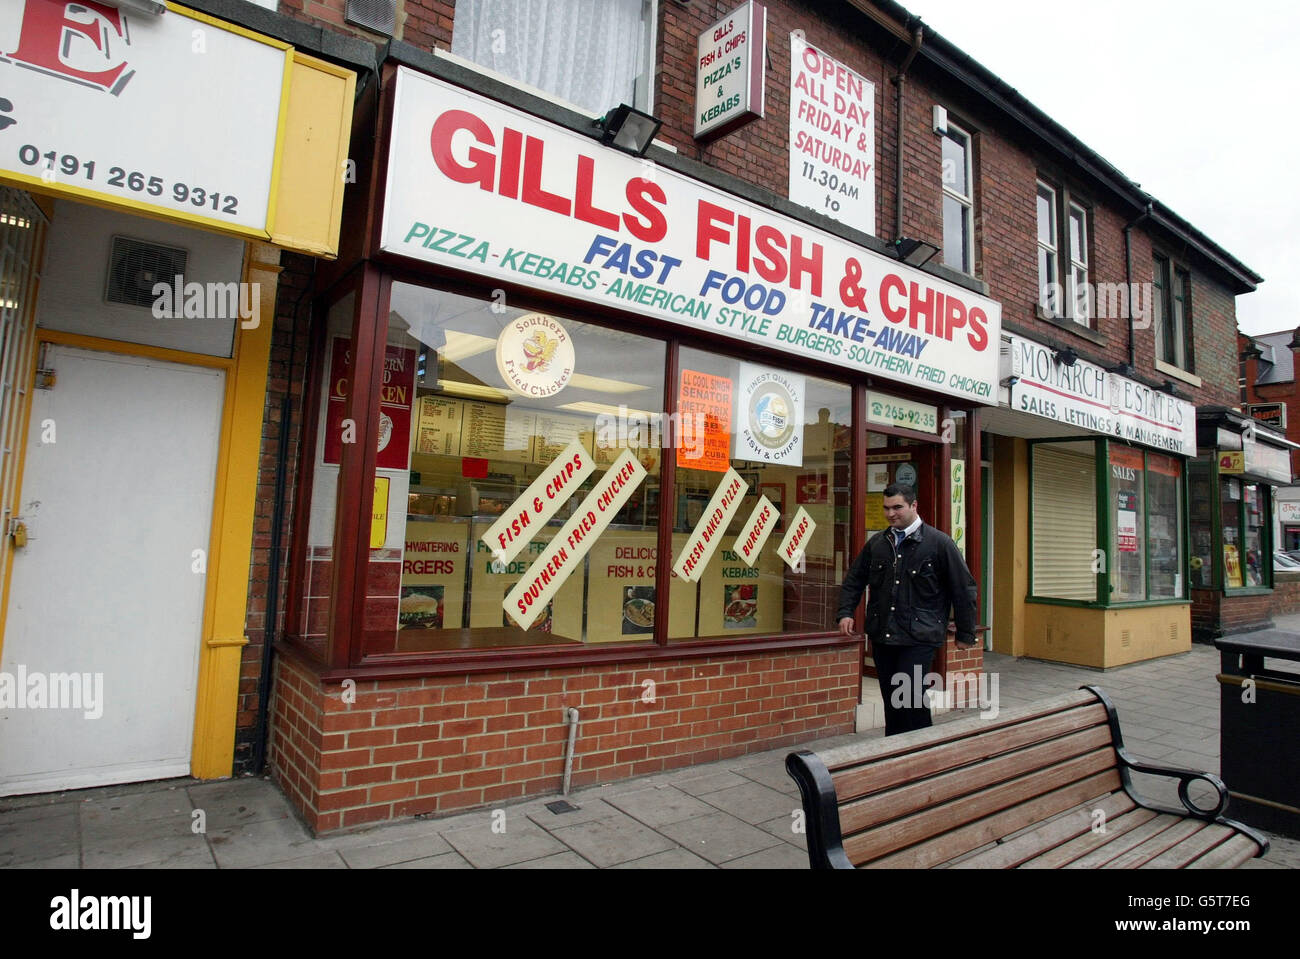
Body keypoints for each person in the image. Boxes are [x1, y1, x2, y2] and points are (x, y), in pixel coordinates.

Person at [837, 483, 978, 735]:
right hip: (883, 635)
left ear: (914, 506)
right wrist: (846, 612)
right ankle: (894, 753)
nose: (891, 513)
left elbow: (963, 589)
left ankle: (921, 753)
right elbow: (854, 580)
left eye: (897, 507)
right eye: (886, 508)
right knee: (892, 699)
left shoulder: (939, 543)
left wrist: (966, 634)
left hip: (920, 637)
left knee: (911, 698)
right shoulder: (878, 543)